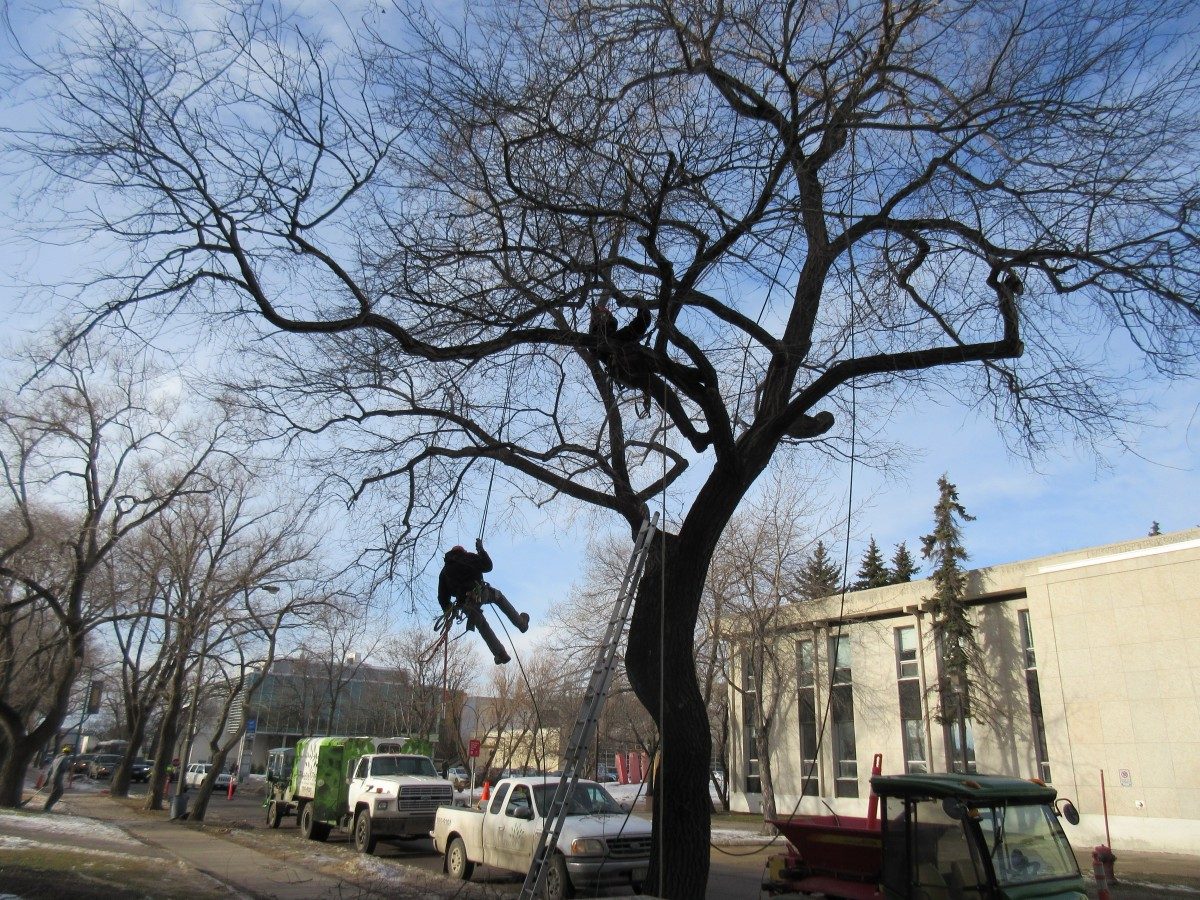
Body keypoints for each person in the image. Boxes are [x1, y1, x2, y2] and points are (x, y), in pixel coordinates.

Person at [588, 300, 710, 452]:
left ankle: (695, 435)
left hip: (639, 364)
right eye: (605, 315)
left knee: (668, 386)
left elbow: (640, 324)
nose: (607, 315)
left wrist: (641, 307)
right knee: (666, 387)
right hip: (630, 368)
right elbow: (639, 325)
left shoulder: (614, 337)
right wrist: (641, 306)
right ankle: (694, 435)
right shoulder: (600, 340)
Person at [437, 539, 529, 664]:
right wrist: (481, 550)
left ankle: (500, 654)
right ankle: (521, 624)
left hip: (465, 603)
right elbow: (488, 566)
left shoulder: (444, 571)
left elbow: (442, 597)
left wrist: (448, 611)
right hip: (480, 593)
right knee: (499, 597)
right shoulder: (468, 557)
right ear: (463, 551)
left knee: (480, 623)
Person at [42, 745, 73, 811]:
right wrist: (68, 767)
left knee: (54, 792)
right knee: (59, 792)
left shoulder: (56, 758)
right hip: (57, 777)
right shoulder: (65, 758)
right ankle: (47, 807)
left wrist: (47, 780)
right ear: (68, 753)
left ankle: (47, 807)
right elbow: (64, 768)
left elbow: (50, 770)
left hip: (52, 777)